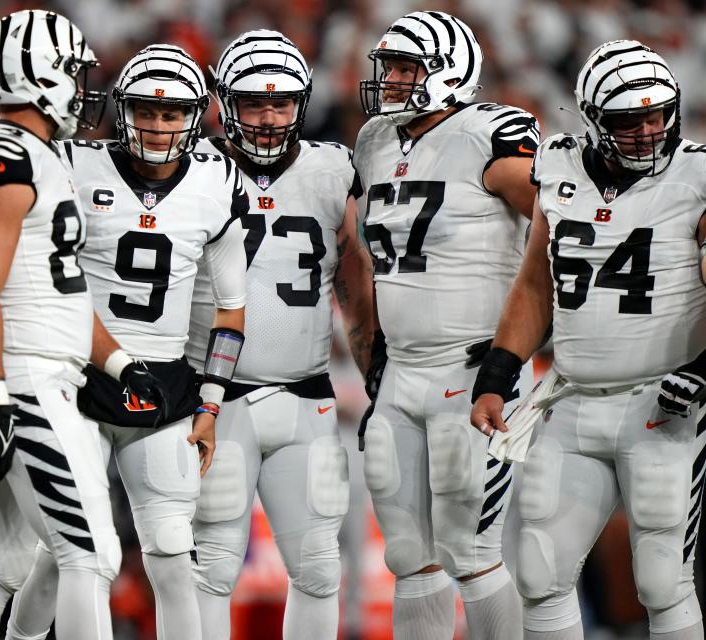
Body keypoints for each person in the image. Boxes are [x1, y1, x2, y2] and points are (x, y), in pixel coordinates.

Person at [0, 43, 249, 640]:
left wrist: (209, 405)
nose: (157, 126)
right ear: (120, 110)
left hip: (163, 387)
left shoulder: (218, 180)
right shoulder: (72, 165)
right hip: (75, 379)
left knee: (170, 551)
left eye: (171, 114)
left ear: (196, 115)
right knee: (73, 554)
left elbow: (232, 310)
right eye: (144, 111)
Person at [0, 11, 169, 640]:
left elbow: (59, 286)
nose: (80, 84)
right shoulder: (4, 151)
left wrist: (119, 361)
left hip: (34, 372)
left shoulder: (43, 155)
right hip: (22, 378)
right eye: (72, 71)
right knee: (91, 555)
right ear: (38, 74)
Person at [471, 40, 706, 640]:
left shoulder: (697, 174)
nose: (650, 131)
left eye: (658, 116)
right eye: (630, 121)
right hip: (571, 399)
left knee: (661, 581)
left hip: (664, 402)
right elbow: (534, 285)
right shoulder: (556, 165)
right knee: (539, 573)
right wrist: (498, 374)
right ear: (592, 119)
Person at [352, 10, 542, 639]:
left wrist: (526, 348)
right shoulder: (376, 139)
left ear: (449, 71)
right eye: (391, 67)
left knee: (472, 550)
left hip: (474, 371)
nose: (393, 80)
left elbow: (564, 228)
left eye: (408, 68)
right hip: (400, 372)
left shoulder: (492, 132)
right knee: (409, 555)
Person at [187, 29, 374, 640]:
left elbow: (354, 282)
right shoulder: (195, 168)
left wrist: (374, 374)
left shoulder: (330, 168)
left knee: (319, 568)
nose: (269, 119)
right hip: (214, 398)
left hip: (306, 394)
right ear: (223, 103)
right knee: (211, 566)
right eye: (253, 103)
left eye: (282, 103)